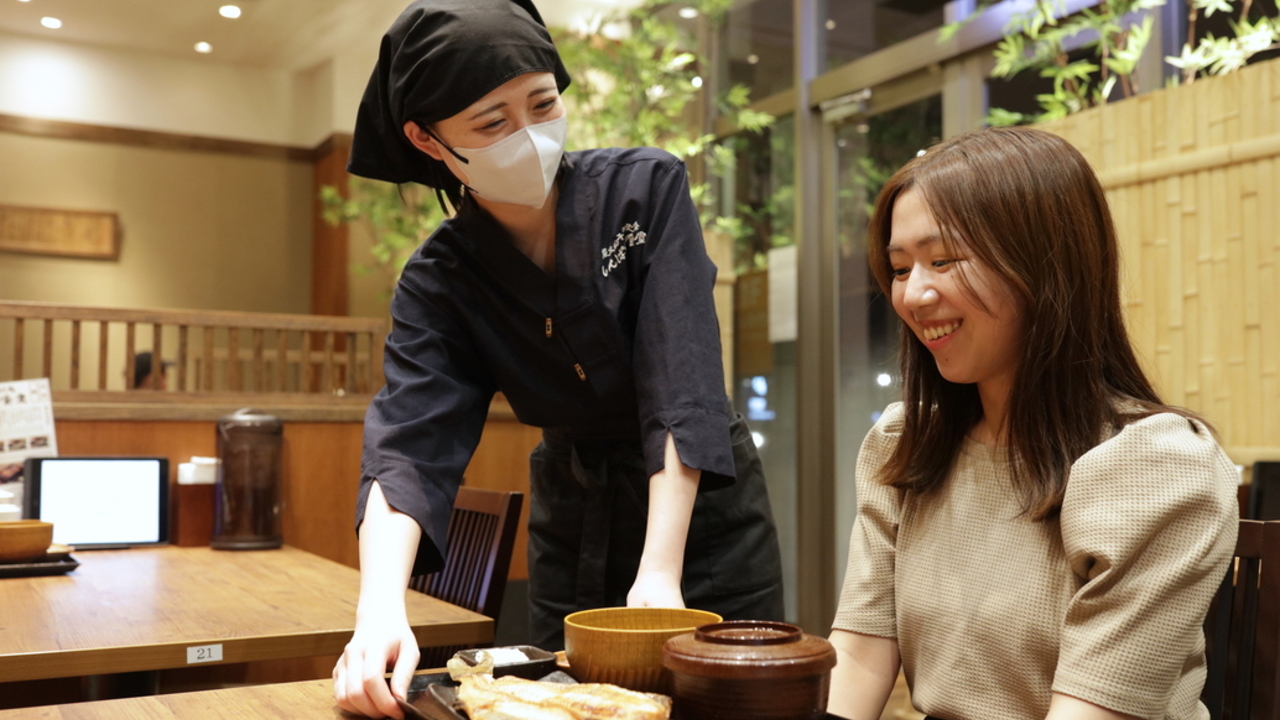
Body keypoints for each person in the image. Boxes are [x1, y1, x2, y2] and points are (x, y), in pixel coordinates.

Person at [332, 1, 785, 717]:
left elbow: (681, 379)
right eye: (491, 123)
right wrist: (378, 610)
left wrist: (660, 575)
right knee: (569, 704)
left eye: (542, 104)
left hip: (699, 513)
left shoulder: (645, 190)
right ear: (427, 139)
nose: (529, 136)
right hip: (575, 511)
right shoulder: (440, 278)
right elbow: (409, 445)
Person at [828, 127, 1238, 720]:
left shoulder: (1155, 470)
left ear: (1044, 266)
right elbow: (861, 655)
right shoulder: (907, 446)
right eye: (898, 268)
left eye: (943, 260)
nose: (913, 295)